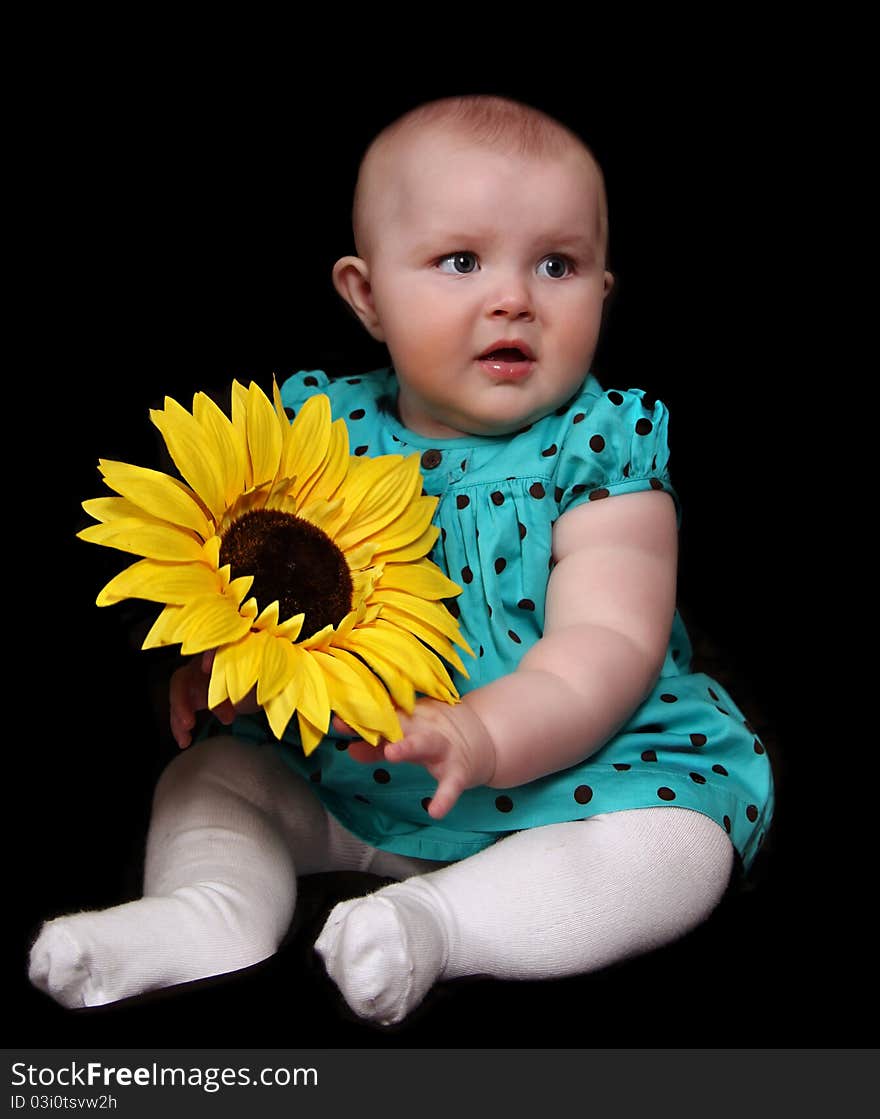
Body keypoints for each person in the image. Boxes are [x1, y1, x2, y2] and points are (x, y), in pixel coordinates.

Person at [28, 94, 773, 1026]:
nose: (514, 297)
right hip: (351, 776)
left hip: (570, 782)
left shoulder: (602, 453)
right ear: (367, 295)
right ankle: (206, 914)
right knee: (210, 777)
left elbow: (608, 644)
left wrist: (484, 735)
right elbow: (278, 590)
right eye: (461, 260)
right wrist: (232, 661)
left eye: (558, 264)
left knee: (679, 848)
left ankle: (438, 925)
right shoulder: (314, 437)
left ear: (604, 294)